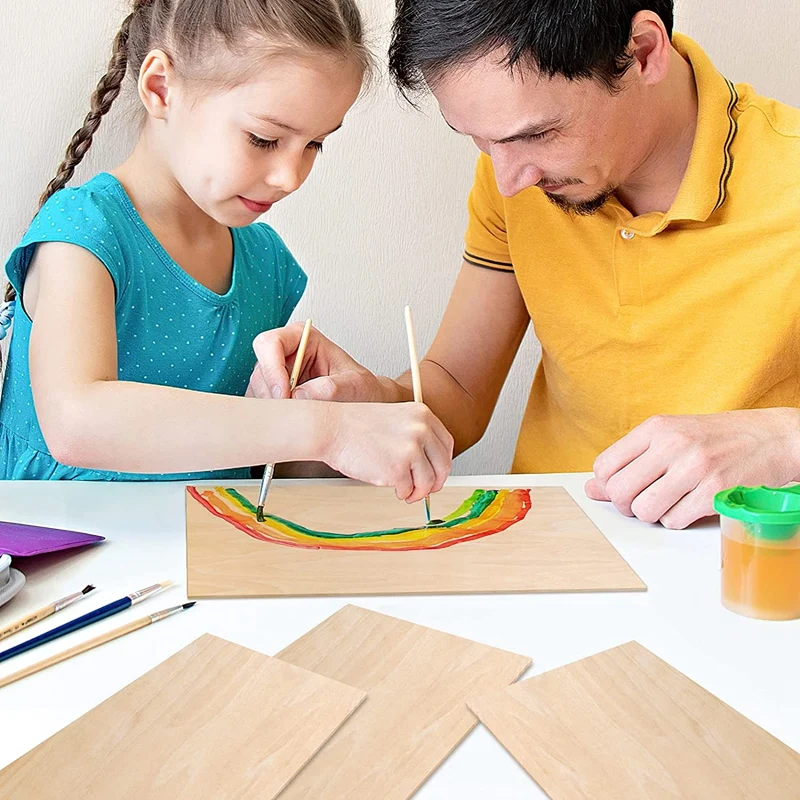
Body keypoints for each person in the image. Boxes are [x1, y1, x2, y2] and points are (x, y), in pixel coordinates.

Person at [252, 1, 800, 528]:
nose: (512, 180)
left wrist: (783, 441)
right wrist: (375, 402)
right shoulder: (516, 176)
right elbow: (458, 391)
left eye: (536, 134)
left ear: (641, 51)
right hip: (552, 542)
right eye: (480, 141)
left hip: (745, 566)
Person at [0, 0, 453, 505]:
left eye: (314, 145)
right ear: (160, 88)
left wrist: (341, 429)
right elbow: (76, 422)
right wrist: (324, 427)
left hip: (207, 544)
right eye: (264, 139)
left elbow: (250, 459)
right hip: (64, 546)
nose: (291, 177)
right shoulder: (83, 233)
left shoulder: (266, 262)